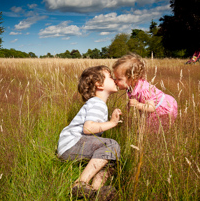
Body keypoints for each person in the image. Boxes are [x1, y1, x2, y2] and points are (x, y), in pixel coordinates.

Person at [57, 65, 122, 200]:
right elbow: (88, 128)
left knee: (109, 158)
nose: (114, 79)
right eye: (110, 77)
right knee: (111, 145)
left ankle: (95, 192)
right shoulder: (97, 103)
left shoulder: (97, 103)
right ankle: (80, 183)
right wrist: (112, 123)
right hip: (72, 143)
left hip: (71, 146)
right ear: (99, 84)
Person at [113, 53, 178, 133]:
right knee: (146, 129)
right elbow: (133, 99)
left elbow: (151, 108)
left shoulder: (143, 90)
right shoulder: (130, 87)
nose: (115, 81)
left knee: (146, 131)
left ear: (133, 78)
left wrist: (137, 105)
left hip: (161, 109)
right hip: (152, 109)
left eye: (119, 79)